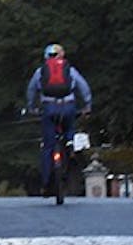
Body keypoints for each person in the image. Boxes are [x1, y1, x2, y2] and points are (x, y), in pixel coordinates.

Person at [25, 43, 92, 197]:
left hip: (48, 108)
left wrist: (31, 107)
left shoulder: (40, 71)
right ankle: (70, 145)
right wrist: (87, 105)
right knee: (69, 128)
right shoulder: (70, 70)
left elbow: (31, 90)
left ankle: (47, 182)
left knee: (48, 146)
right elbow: (83, 87)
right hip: (68, 107)